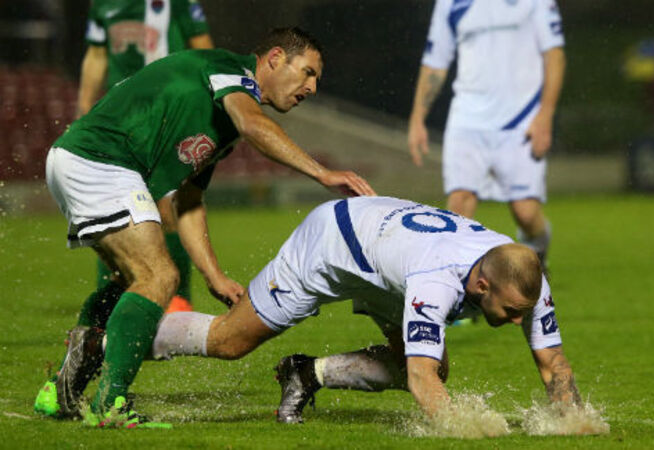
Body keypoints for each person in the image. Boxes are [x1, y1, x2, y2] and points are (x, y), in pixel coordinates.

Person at [33, 27, 376, 428]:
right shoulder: (230, 72)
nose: (312, 87)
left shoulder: (224, 123)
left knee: (130, 281)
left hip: (86, 160)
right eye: (308, 72)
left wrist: (214, 276)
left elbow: (189, 200)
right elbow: (254, 125)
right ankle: (110, 406)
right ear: (275, 58)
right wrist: (322, 173)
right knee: (159, 277)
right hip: (101, 160)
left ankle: (61, 391)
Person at [147, 196, 581, 424]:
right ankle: (123, 339)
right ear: (482, 285)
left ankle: (305, 374)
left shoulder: (524, 276)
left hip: (389, 266)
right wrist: (464, 427)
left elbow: (553, 364)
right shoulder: (437, 282)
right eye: (512, 311)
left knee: (429, 364)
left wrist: (572, 420)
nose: (519, 320)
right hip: (330, 246)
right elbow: (422, 380)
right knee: (229, 341)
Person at [78, 0, 215, 314]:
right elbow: (97, 55)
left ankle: (177, 299)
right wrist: (85, 111)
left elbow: (203, 48)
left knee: (167, 203)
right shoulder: (102, 4)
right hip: (120, 113)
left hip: (167, 107)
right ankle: (112, 302)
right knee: (113, 208)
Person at [407, 0, 566, 267]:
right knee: (459, 206)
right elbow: (435, 62)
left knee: (526, 213)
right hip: (467, 120)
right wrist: (417, 118)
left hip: (521, 119)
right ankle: (455, 282)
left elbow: (554, 55)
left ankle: (539, 259)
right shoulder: (449, 3)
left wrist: (545, 115)